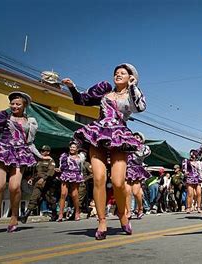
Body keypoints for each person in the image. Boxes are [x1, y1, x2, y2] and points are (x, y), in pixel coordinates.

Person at [61, 63, 146, 239]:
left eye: (123, 73)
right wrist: (72, 88)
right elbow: (81, 100)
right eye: (116, 72)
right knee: (99, 179)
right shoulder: (104, 91)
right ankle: (101, 221)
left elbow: (139, 108)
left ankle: (122, 215)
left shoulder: (132, 93)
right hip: (98, 134)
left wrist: (132, 86)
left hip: (119, 136)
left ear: (131, 77)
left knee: (118, 182)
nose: (118, 74)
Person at [0, 91, 47, 234]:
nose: (14, 106)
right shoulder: (4, 116)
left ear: (24, 106)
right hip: (3, 151)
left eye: (18, 104)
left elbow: (30, 143)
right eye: (12, 103)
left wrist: (40, 156)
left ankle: (14, 217)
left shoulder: (30, 122)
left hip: (20, 153)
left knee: (15, 187)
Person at [20, 145, 56, 223]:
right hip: (38, 182)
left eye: (44, 151)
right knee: (34, 197)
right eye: (41, 151)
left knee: (50, 199)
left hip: (47, 182)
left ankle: (54, 214)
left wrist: (43, 179)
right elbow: (37, 173)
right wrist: (32, 179)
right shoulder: (39, 161)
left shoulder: (50, 160)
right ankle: (26, 215)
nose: (42, 152)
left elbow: (51, 171)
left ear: (48, 152)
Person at [55, 142, 85, 221]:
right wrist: (58, 169)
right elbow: (61, 166)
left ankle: (77, 212)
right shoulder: (65, 156)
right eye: (71, 147)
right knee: (63, 194)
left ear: (77, 149)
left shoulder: (80, 158)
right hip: (65, 174)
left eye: (74, 147)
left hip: (75, 175)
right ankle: (60, 214)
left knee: (75, 195)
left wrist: (81, 176)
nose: (72, 149)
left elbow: (81, 168)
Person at [125, 132, 151, 219]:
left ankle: (140, 208)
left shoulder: (144, 148)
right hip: (126, 169)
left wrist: (134, 147)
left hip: (136, 170)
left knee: (136, 192)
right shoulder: (127, 145)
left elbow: (142, 154)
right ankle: (129, 211)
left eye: (138, 137)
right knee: (127, 191)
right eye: (134, 136)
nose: (135, 138)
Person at [183, 149, 202, 213]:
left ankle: (198, 207)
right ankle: (188, 207)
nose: (192, 156)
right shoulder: (186, 161)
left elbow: (200, 171)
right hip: (190, 178)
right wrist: (185, 172)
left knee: (199, 193)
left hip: (197, 178)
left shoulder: (198, 162)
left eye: (194, 155)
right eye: (192, 154)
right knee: (190, 194)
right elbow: (184, 169)